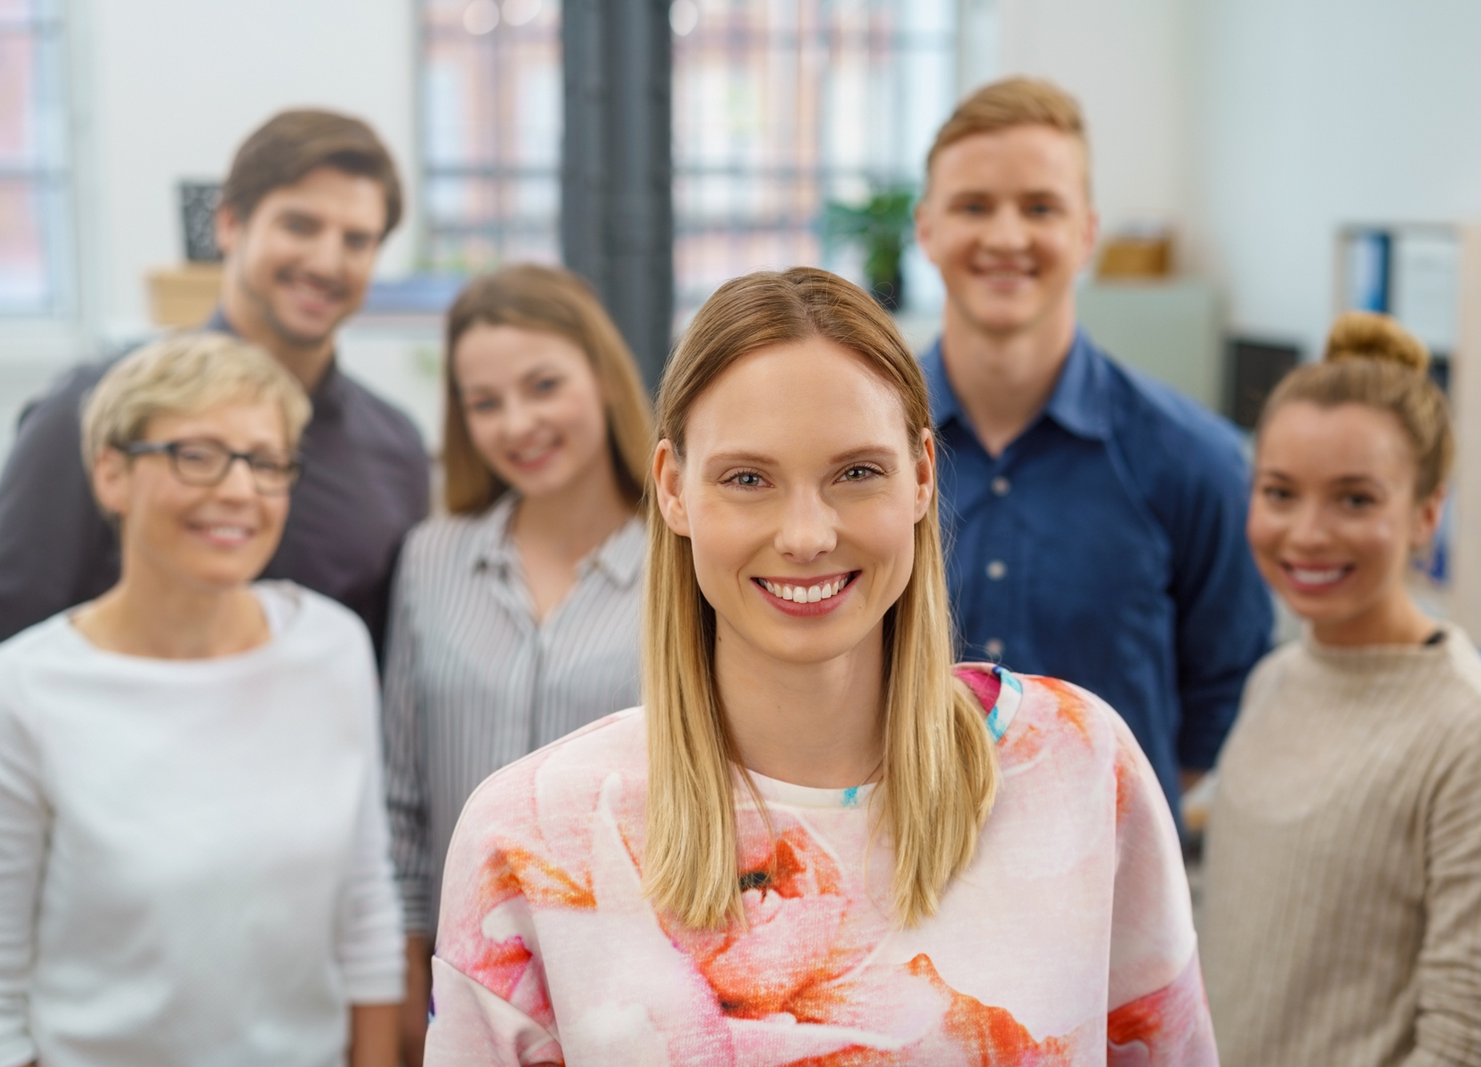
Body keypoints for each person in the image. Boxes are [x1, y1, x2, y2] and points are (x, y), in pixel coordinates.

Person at [420, 267, 1214, 1065]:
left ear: (922, 475)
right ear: (673, 488)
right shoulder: (526, 838)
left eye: (856, 472)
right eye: (748, 479)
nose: (806, 535)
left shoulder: (1081, 766)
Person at [0, 333, 405, 1067]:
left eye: (266, 461)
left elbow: (366, 908)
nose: (240, 490)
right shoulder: (19, 695)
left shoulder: (331, 649)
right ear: (112, 474)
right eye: (197, 454)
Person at [0, 108, 430, 724]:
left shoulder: (394, 449)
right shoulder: (98, 410)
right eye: (299, 225)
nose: (328, 262)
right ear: (229, 224)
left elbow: (386, 683)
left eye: (357, 241)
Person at [913, 77, 1273, 817]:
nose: (1006, 237)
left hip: (1110, 876)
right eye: (973, 206)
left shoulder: (1194, 462)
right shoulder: (860, 455)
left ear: (1086, 233)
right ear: (927, 229)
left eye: (1040, 208)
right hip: (905, 869)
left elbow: (1223, 694)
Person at [1199, 312, 1481, 1067]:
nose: (1307, 533)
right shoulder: (1274, 678)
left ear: (1426, 513)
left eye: (1355, 500)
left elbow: (1468, 1045)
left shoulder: (1476, 728)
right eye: (1280, 492)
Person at [382, 264, 654, 1066]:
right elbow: (402, 794)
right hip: (461, 985)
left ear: (602, 376)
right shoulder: (430, 559)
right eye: (485, 402)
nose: (518, 423)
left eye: (543, 385)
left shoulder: (684, 564)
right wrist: (407, 980)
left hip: (632, 979)